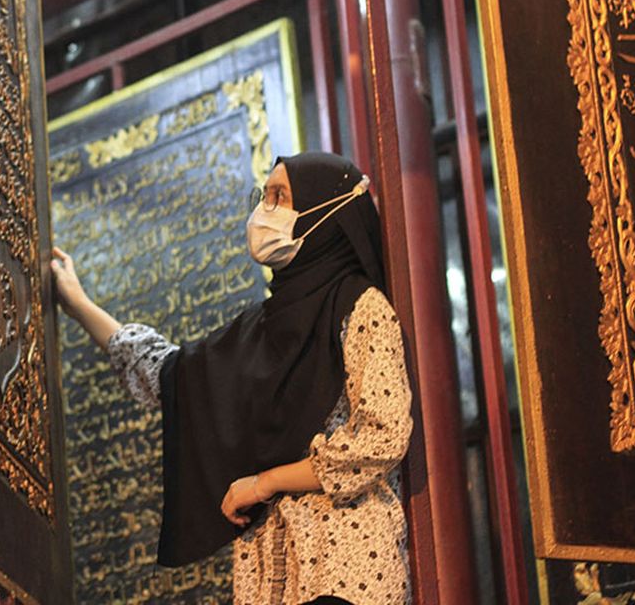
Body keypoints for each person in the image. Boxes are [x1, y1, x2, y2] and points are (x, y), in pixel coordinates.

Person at [52, 151, 412, 605]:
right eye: (263, 196)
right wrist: (78, 304)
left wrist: (266, 482)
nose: (264, 210)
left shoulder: (360, 307)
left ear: (325, 210)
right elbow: (165, 373)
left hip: (345, 562)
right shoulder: (256, 332)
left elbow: (383, 435)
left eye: (280, 196)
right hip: (268, 574)